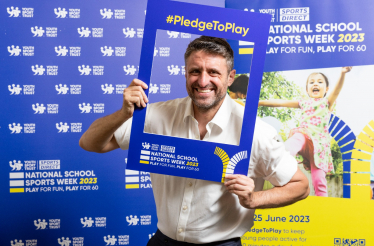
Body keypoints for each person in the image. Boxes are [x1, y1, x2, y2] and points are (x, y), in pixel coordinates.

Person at [80, 36, 309, 245]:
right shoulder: (155, 115)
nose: (203, 81)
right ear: (185, 72)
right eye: (195, 71)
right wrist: (123, 113)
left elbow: (301, 186)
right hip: (163, 241)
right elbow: (90, 143)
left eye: (213, 72)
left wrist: (253, 199)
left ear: (230, 77)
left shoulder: (257, 132)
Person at [259, 67, 352, 197]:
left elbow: (337, 90)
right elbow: (280, 102)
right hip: (304, 136)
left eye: (320, 82)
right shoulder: (303, 102)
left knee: (319, 179)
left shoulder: (326, 103)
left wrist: (342, 74)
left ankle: (322, 205)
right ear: (307, 89)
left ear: (326, 89)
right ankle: (279, 158)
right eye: (312, 82)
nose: (315, 84)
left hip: (319, 146)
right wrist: (259, 103)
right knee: (294, 141)